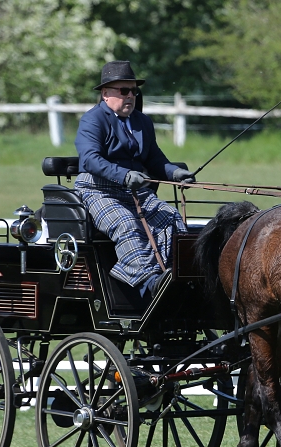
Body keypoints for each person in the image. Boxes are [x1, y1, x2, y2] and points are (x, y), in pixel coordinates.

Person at [74, 60, 195, 301]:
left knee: (171, 218)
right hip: (98, 190)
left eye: (133, 91)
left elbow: (154, 159)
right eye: (124, 91)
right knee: (127, 223)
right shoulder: (93, 120)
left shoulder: (143, 122)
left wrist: (173, 173)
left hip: (136, 191)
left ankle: (177, 277)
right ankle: (149, 284)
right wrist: (124, 175)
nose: (130, 96)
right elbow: (90, 160)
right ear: (106, 94)